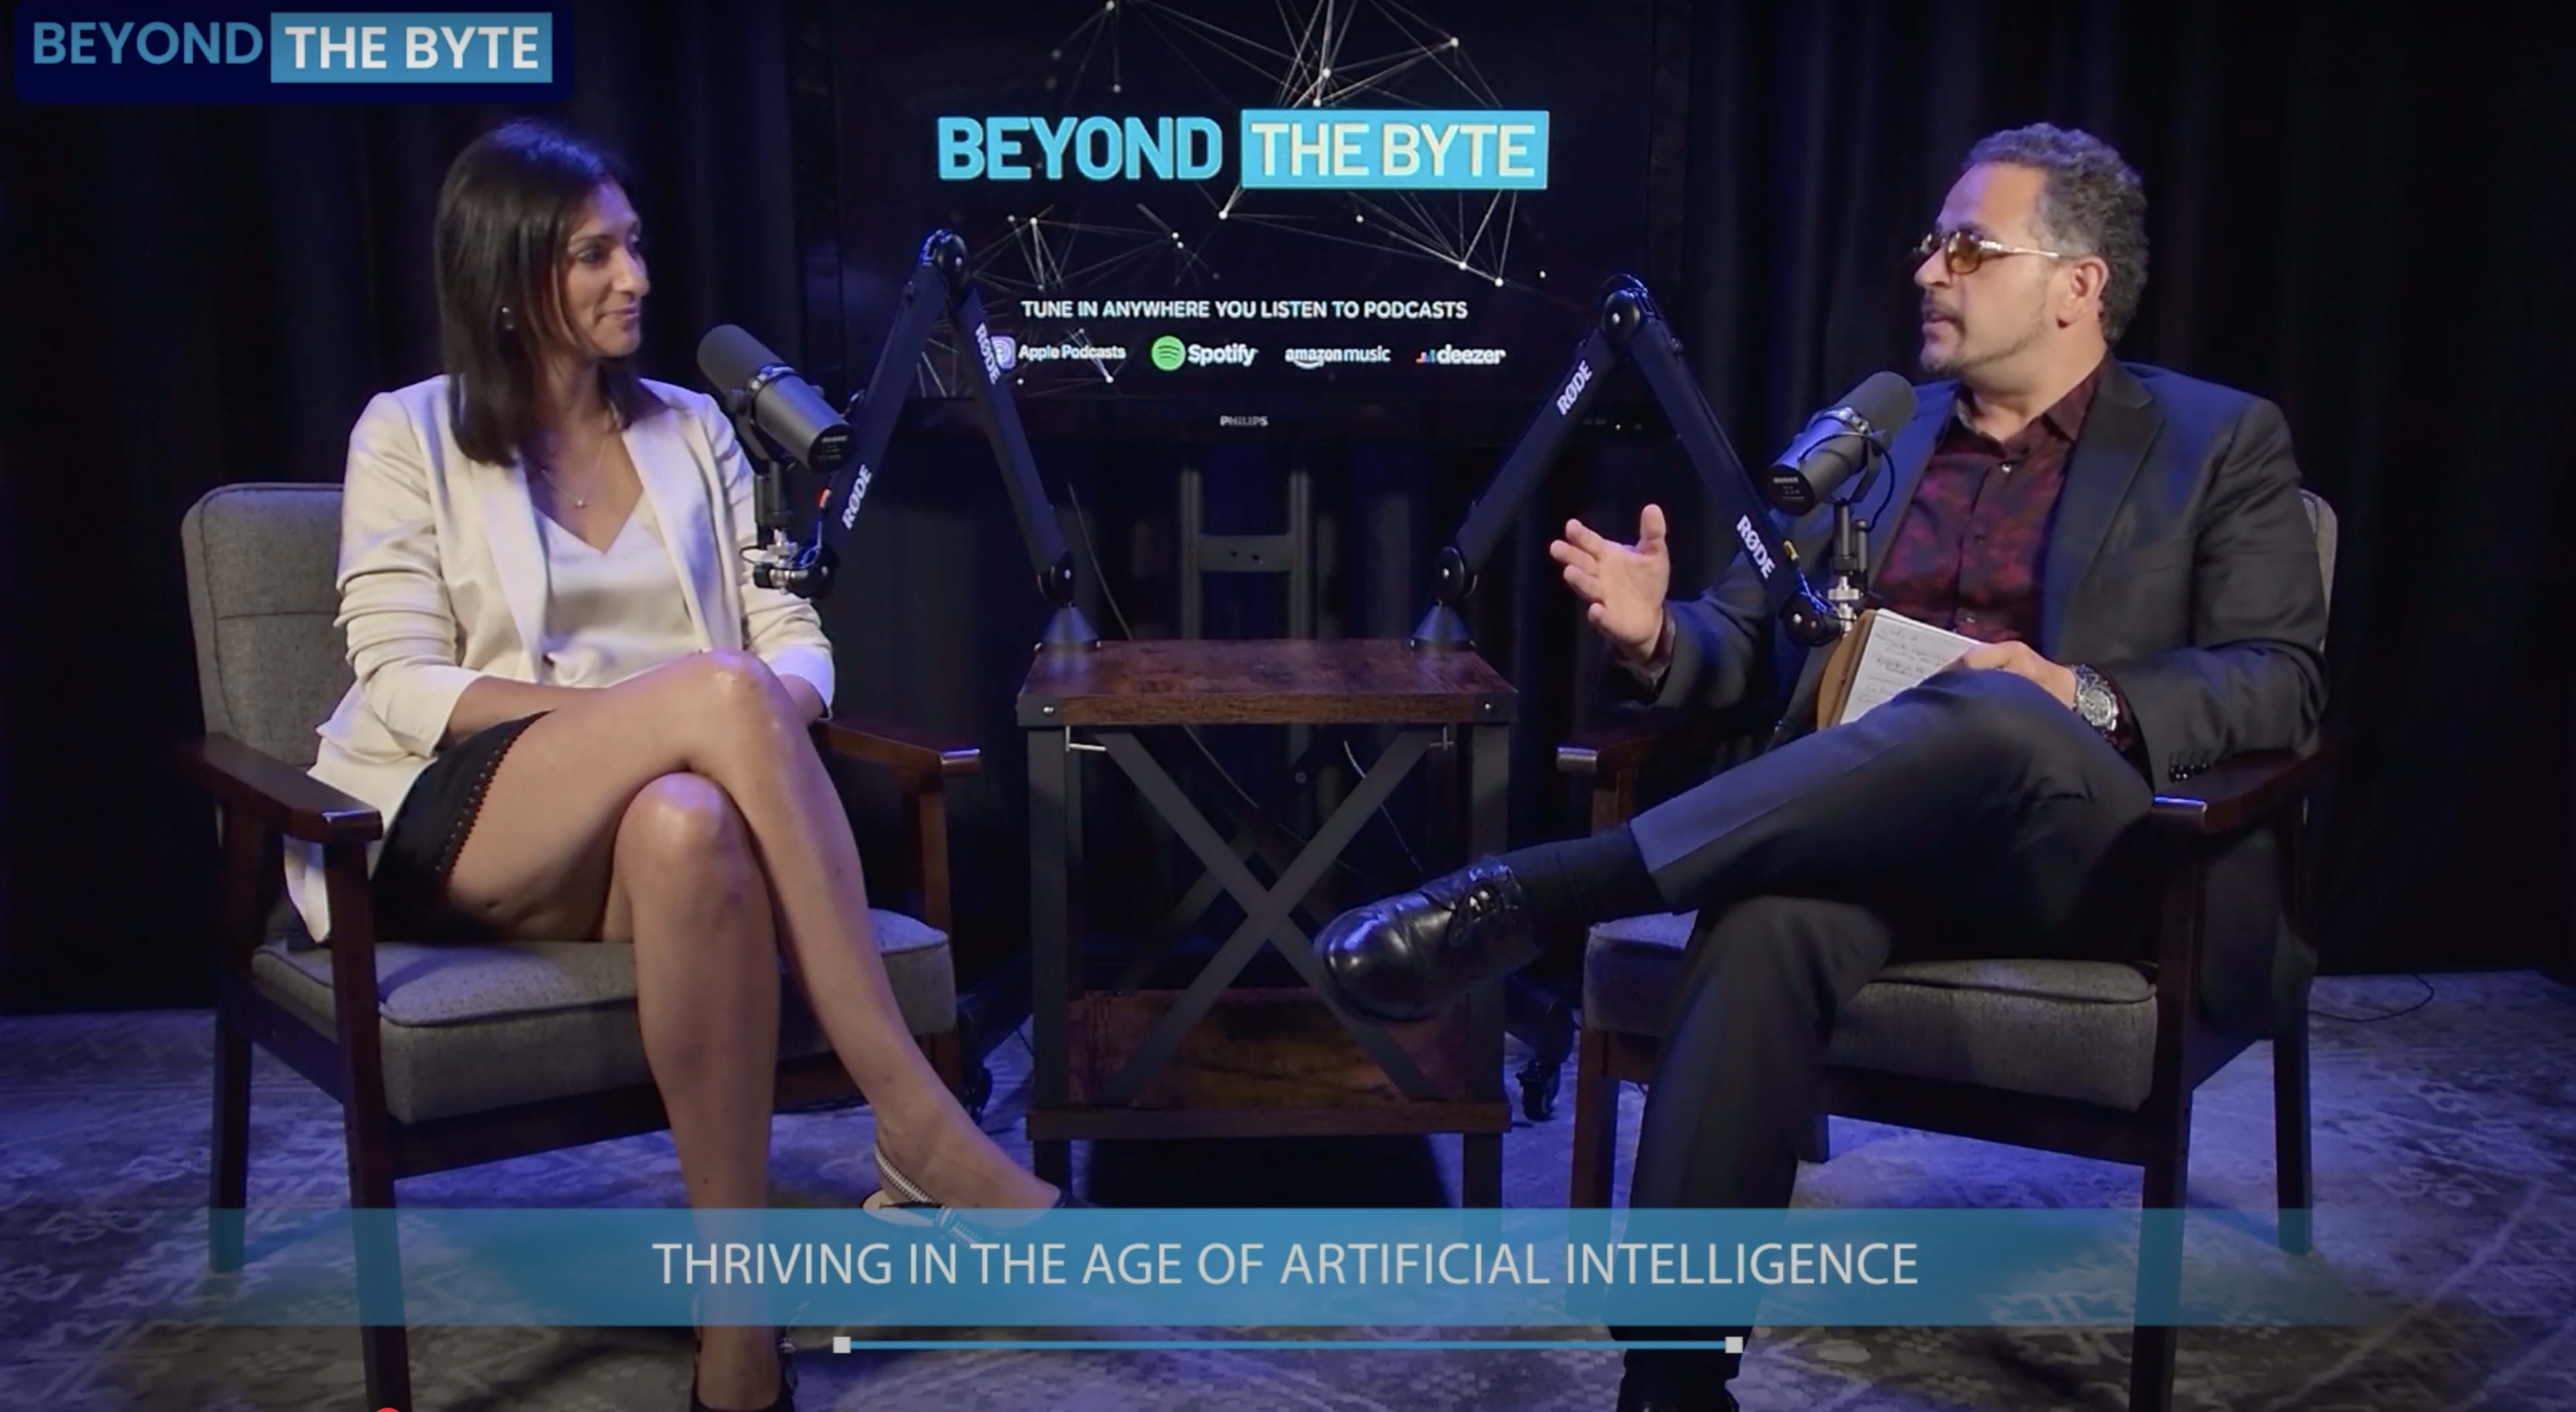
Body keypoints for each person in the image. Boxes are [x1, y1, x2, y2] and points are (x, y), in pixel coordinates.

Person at [1313, 124, 2328, 1411]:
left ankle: (1553, 887)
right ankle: (1672, 1374)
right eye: (1929, 242)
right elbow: (1742, 641)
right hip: (1876, 837)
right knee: (1764, 918)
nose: (1929, 269)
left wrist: (2069, 687)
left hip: (2097, 851)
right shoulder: (1879, 434)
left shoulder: (2218, 440)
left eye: (1970, 245)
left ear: (2078, 285)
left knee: (1991, 707)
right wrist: (1655, 633)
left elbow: (2280, 677)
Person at [278, 119, 1059, 1412]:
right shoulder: (405, 435)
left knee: (692, 813)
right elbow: (401, 678)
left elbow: (793, 641)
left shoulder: (697, 431)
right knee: (703, 709)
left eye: (633, 246)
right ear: (509, 280)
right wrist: (646, 712)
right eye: (593, 255)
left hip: (658, 840)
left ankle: (735, 1339)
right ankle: (920, 1120)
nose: (633, 278)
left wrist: (735, 716)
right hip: (463, 825)